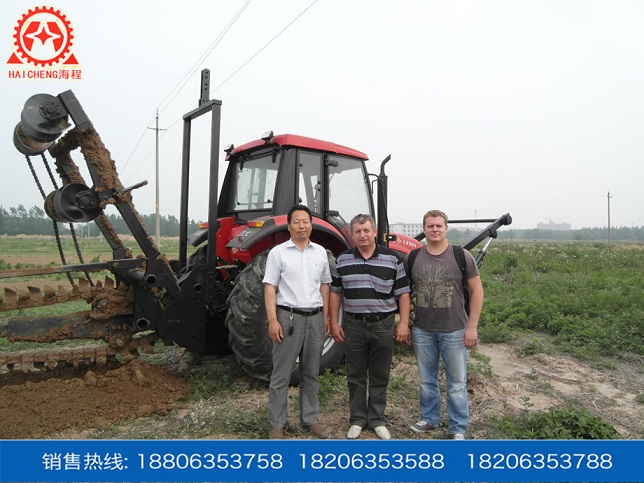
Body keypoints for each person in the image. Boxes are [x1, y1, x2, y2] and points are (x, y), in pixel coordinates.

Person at [329, 213, 411, 440]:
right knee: (355, 374)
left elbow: (403, 294)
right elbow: (336, 293)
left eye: (366, 230)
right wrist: (333, 322)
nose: (362, 235)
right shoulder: (343, 260)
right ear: (352, 235)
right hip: (354, 324)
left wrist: (403, 323)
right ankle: (357, 419)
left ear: (375, 232)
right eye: (358, 231)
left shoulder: (393, 259)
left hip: (383, 324)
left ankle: (377, 419)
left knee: (379, 373)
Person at [405, 209, 483, 440]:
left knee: (457, 383)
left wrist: (472, 327)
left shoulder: (461, 256)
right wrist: (406, 324)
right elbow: (405, 294)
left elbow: (477, 292)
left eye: (439, 225)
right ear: (424, 229)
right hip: (422, 330)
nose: (435, 229)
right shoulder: (412, 258)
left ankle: (457, 427)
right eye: (430, 226)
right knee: (426, 380)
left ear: (446, 228)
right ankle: (430, 419)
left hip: (455, 330)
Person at [263, 204, 332, 440]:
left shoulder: (320, 252)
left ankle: (310, 419)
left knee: (311, 373)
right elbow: (270, 287)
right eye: (296, 222)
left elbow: (325, 285)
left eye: (305, 221)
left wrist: (326, 316)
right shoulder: (278, 253)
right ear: (289, 226)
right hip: (288, 318)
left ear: (311, 225)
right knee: (281, 374)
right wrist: (273, 320)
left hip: (315, 319)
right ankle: (277, 424)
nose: (301, 226)